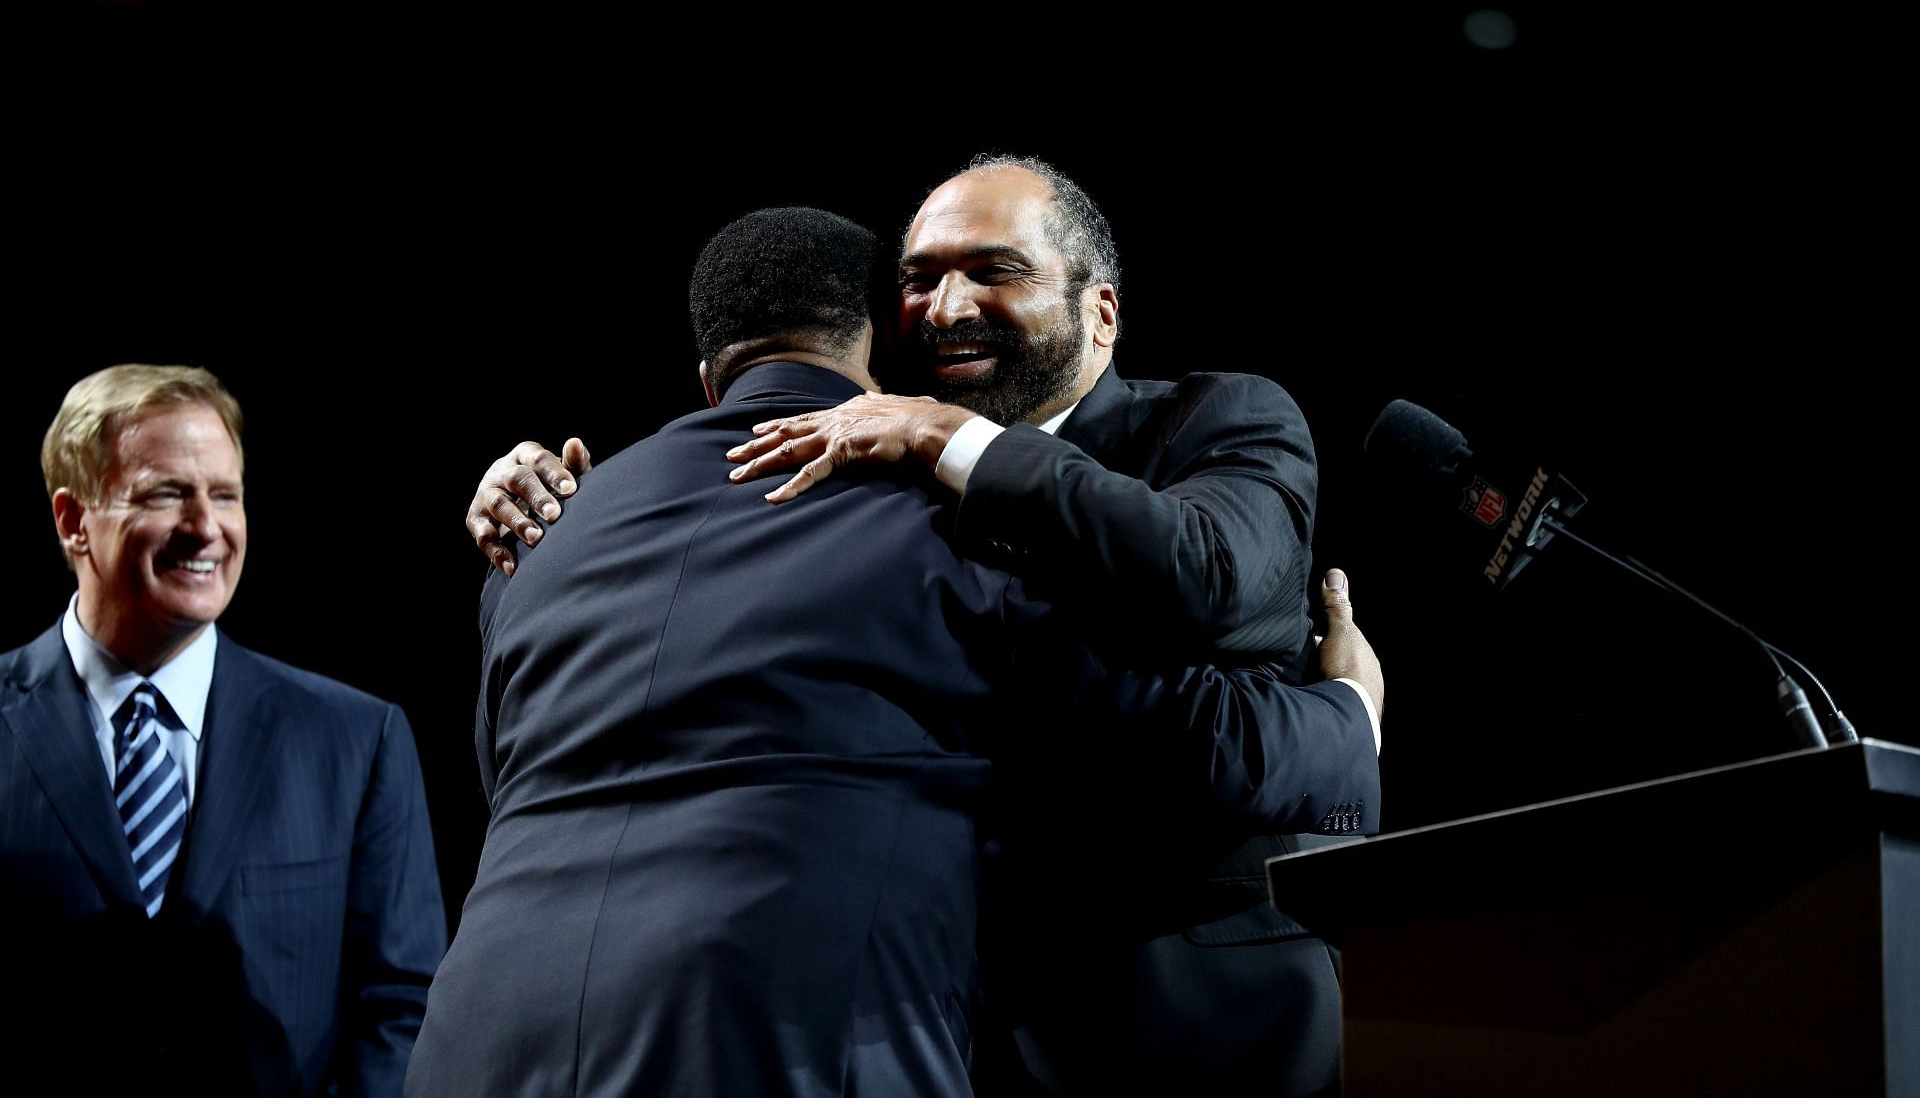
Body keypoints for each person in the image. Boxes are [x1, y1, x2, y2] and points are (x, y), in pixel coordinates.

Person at [465, 157, 1381, 1095]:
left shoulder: (1214, 419)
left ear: (1100, 310)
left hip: (1199, 1023)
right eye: (917, 280)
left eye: (994, 271)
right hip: (937, 1023)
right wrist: (538, 502)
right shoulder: (872, 487)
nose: (944, 308)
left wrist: (961, 444)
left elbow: (1215, 576)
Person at [1, 364, 445, 1097]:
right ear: (73, 520)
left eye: (226, 495)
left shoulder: (357, 742)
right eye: (167, 493)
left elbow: (403, 1010)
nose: (206, 527)